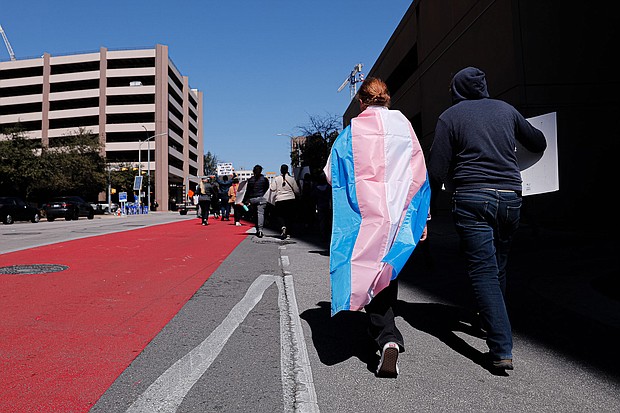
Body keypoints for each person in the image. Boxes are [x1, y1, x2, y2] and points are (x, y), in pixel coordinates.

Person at [428, 66, 547, 372]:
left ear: (456, 90)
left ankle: (501, 346)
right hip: (510, 197)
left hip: (471, 198)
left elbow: (437, 168)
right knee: (499, 265)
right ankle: (488, 321)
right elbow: (539, 142)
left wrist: (426, 207)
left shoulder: (450, 117)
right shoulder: (506, 110)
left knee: (483, 272)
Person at [324, 77, 431, 378]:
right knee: (387, 268)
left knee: (371, 269)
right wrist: (423, 216)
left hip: (366, 215)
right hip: (399, 214)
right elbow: (420, 173)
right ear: (387, 98)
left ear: (361, 101)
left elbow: (332, 175)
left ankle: (387, 337)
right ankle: (387, 334)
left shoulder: (350, 133)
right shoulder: (405, 128)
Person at [269, 164, 300, 240]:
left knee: (280, 215)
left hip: (279, 199)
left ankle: (283, 226)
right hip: (290, 199)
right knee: (289, 216)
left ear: (280, 170)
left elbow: (272, 188)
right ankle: (288, 233)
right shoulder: (291, 179)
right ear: (287, 170)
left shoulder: (276, 179)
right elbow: (296, 190)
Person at [242, 164, 270, 238]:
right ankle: (260, 230)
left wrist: (245, 200)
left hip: (252, 199)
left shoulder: (250, 180)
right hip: (262, 198)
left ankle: (257, 228)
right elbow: (267, 189)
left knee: (254, 214)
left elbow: (247, 191)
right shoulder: (264, 179)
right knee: (261, 213)